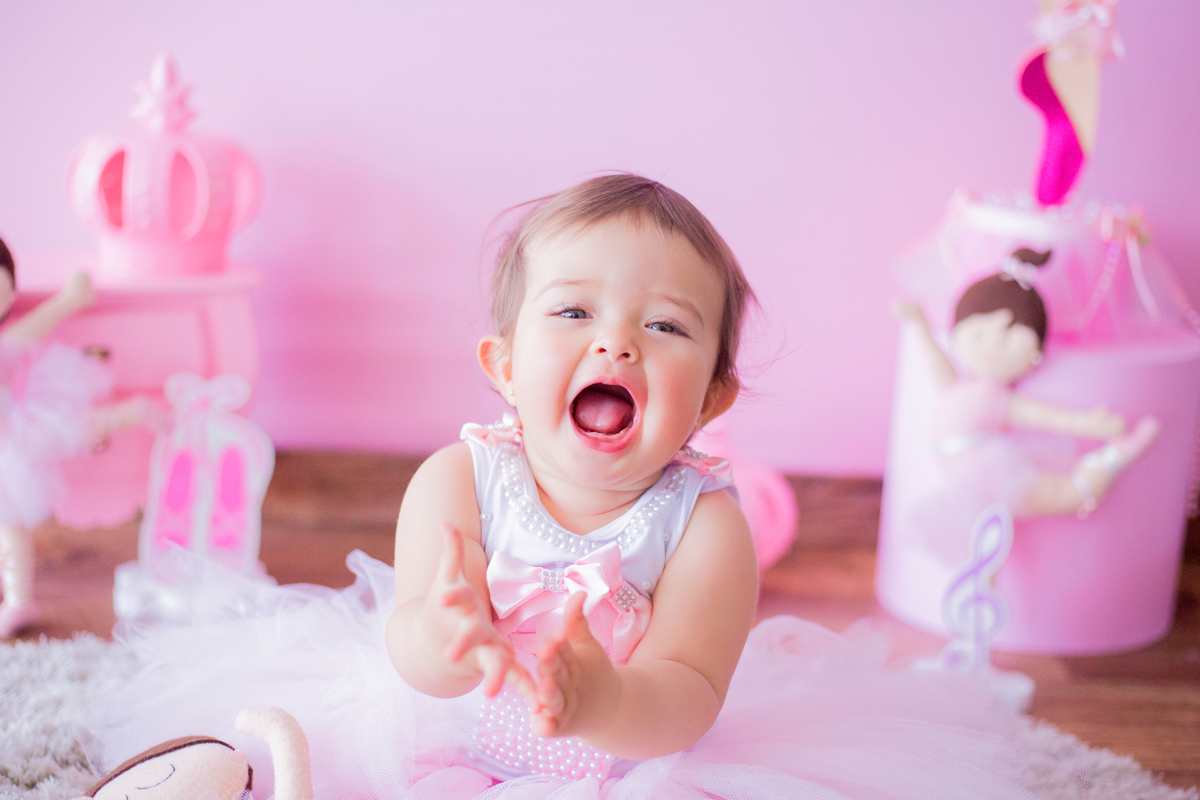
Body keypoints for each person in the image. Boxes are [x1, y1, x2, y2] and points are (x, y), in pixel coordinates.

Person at [86, 177, 1047, 799]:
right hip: (437, 745)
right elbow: (414, 658)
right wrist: (445, 633)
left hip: (627, 770)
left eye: (666, 327)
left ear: (713, 394)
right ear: (502, 363)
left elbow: (688, 695)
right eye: (574, 310)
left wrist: (602, 700)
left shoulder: (707, 526)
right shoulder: (457, 480)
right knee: (284, 770)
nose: (616, 341)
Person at [894, 248, 1158, 562]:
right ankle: (980, 586)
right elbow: (937, 364)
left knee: (1063, 495)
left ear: (1034, 354)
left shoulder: (1001, 399)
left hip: (993, 471)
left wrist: (1091, 423)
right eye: (979, 335)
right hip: (971, 477)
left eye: (1008, 340)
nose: (991, 347)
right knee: (982, 539)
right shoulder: (957, 386)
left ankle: (1116, 454)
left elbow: (1050, 417)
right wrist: (920, 323)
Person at [0, 237, 156, 637]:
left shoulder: (6, 347)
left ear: (10, 292)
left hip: (14, 441)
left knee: (73, 432)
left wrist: (70, 299)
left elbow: (32, 331)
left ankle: (19, 601)